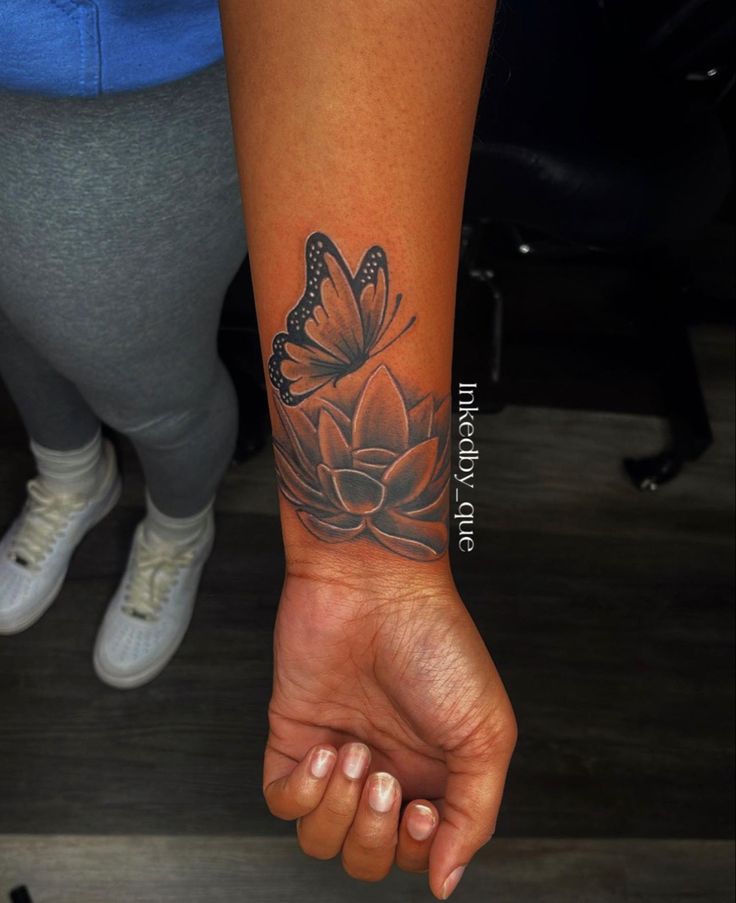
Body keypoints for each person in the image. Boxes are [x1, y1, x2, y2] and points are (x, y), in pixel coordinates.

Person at [0, 1, 517, 899]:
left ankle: (178, 524)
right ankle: (73, 477)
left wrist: (364, 565)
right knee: (21, 335)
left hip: (110, 75)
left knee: (144, 383)